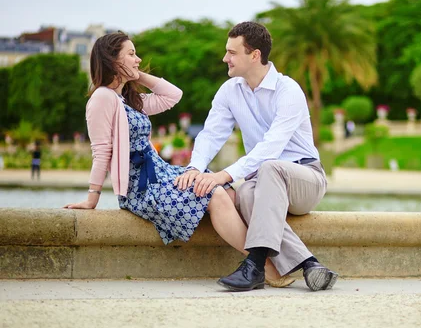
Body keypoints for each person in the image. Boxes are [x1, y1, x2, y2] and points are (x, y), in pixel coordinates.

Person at [63, 32, 292, 288]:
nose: (138, 59)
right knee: (214, 193)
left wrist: (136, 76)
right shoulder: (102, 98)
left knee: (224, 191)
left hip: (161, 174)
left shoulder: (127, 99)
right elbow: (101, 150)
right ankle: (264, 266)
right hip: (142, 187)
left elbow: (173, 96)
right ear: (111, 59)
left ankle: (262, 262)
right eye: (130, 54)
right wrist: (92, 198)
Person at [175, 21, 338, 292]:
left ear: (255, 55)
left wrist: (223, 175)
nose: (224, 58)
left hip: (305, 178)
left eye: (232, 52)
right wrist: (195, 166)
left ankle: (255, 263)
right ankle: (310, 263)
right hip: (264, 181)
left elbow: (270, 148)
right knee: (247, 195)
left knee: (269, 168)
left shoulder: (288, 91)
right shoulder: (229, 91)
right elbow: (211, 134)